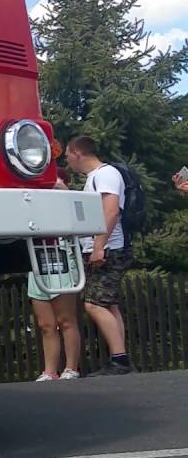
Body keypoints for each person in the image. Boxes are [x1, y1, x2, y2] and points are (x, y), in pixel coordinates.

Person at [65, 137, 133, 377]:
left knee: (93, 304)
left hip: (109, 248)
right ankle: (120, 357)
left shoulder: (105, 174)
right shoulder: (97, 177)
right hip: (105, 246)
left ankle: (120, 360)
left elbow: (111, 210)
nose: (67, 161)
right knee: (109, 304)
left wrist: (98, 246)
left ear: (76, 152)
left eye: (67, 156)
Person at [32, 180, 83, 382]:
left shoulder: (57, 183)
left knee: (66, 319)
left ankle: (71, 368)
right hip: (36, 257)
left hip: (59, 254)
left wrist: (61, 189)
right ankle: (49, 370)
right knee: (46, 324)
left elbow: (72, 210)